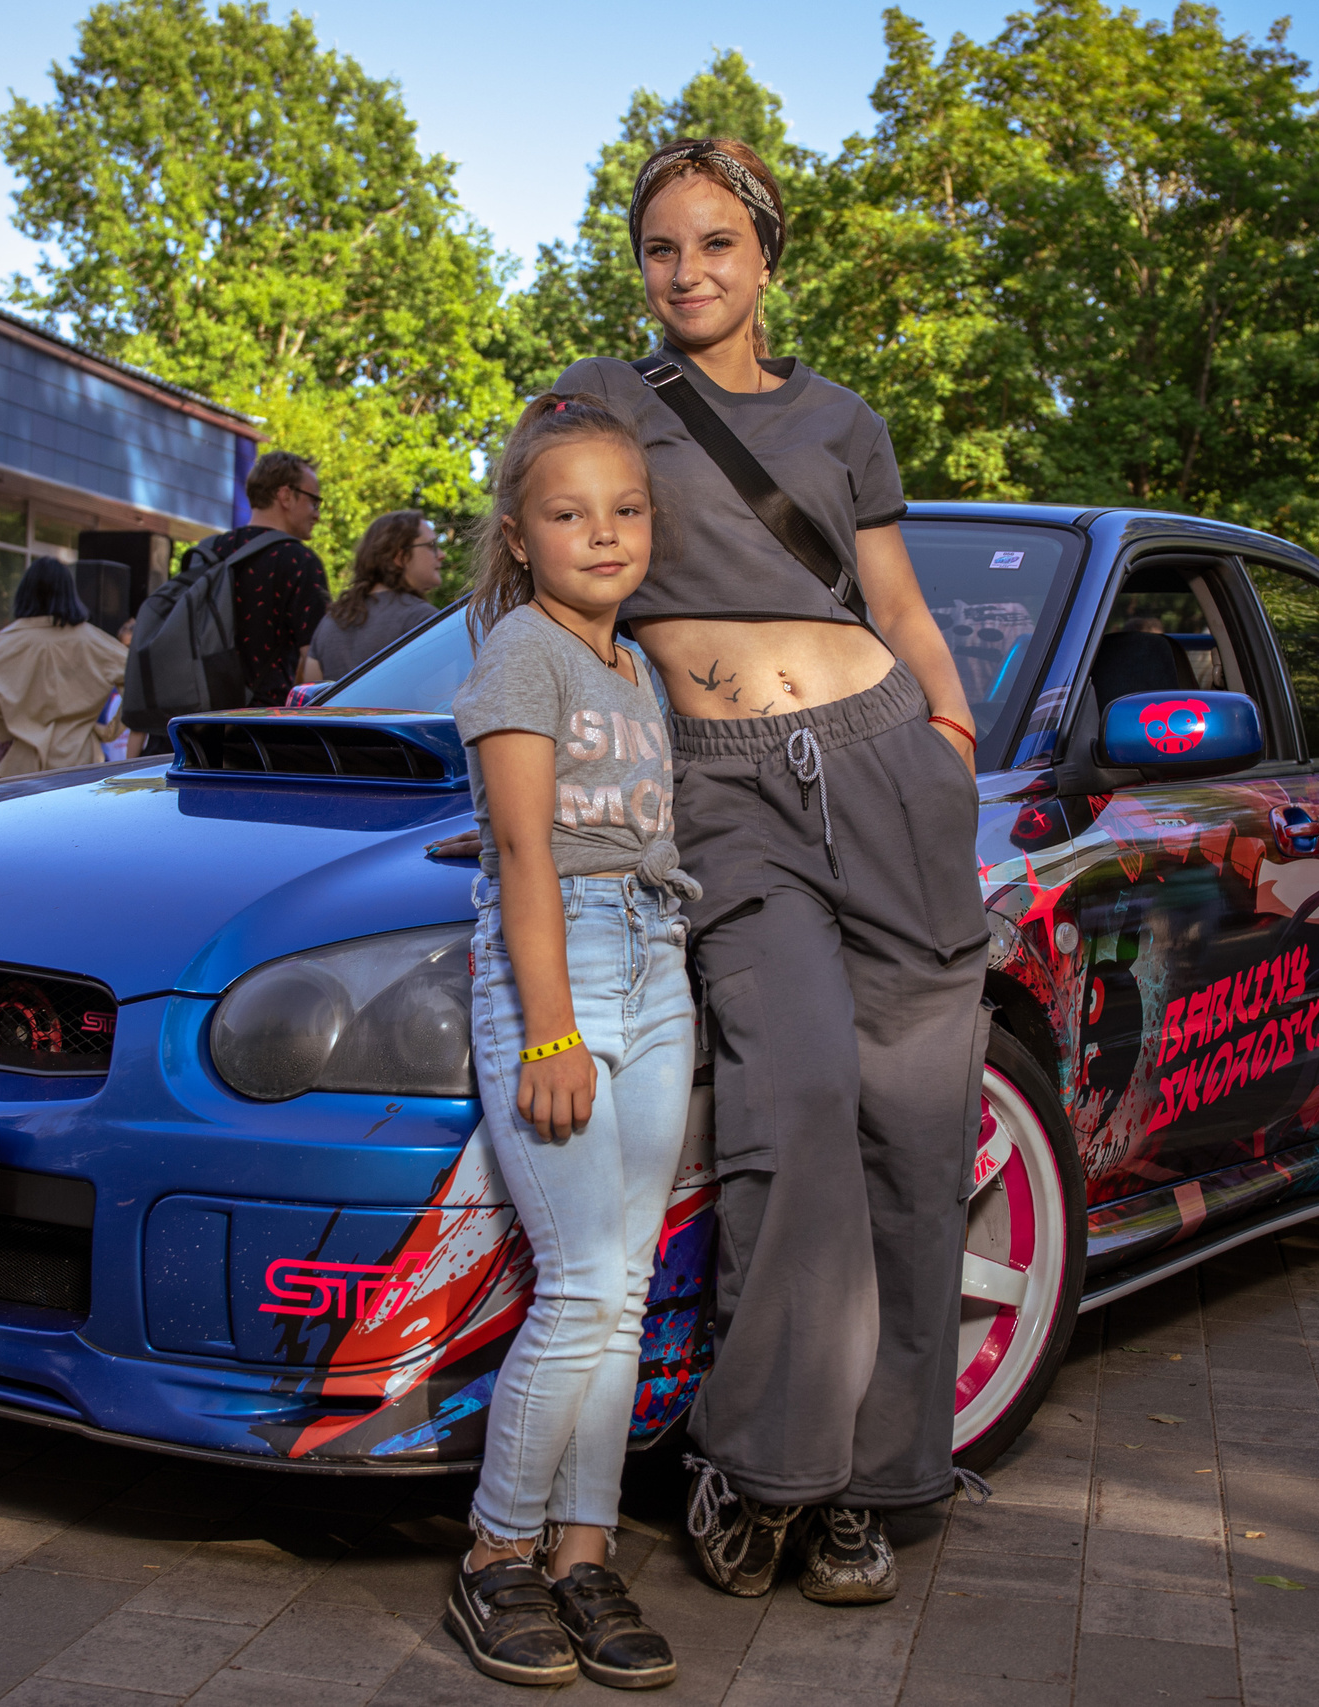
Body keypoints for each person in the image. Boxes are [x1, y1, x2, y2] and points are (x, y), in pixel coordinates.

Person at [552, 137, 987, 1602]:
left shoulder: (844, 418)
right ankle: (764, 1458)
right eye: (662, 248)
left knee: (916, 1136)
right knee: (796, 1091)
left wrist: (950, 733)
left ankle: (875, 1481)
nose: (688, 272)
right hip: (720, 789)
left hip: (889, 764)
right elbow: (546, 563)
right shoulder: (604, 400)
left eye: (717, 245)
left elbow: (900, 599)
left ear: (768, 257)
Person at [442, 393, 688, 1691]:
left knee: (626, 1283)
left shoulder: (633, 663)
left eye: (625, 508)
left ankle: (583, 1552)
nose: (603, 531)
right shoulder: (521, 654)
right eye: (569, 511)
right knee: (585, 1280)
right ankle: (496, 1555)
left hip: (658, 953)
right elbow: (526, 846)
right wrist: (549, 1028)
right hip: (570, 962)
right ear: (520, 537)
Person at [154, 452, 328, 736]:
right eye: (314, 501)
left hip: (195, 723)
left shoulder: (209, 551)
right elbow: (316, 662)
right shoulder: (300, 561)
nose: (317, 514)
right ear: (286, 495)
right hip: (262, 728)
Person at [0, 558, 127, 778]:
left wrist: (8, 726)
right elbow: (135, 675)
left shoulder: (10, 640)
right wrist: (111, 730)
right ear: (69, 591)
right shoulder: (91, 639)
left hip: (24, 762)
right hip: (81, 760)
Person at [306, 511, 443, 681]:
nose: (441, 555)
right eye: (431, 546)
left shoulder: (330, 621)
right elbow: (442, 697)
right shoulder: (422, 619)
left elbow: (311, 693)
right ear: (400, 557)